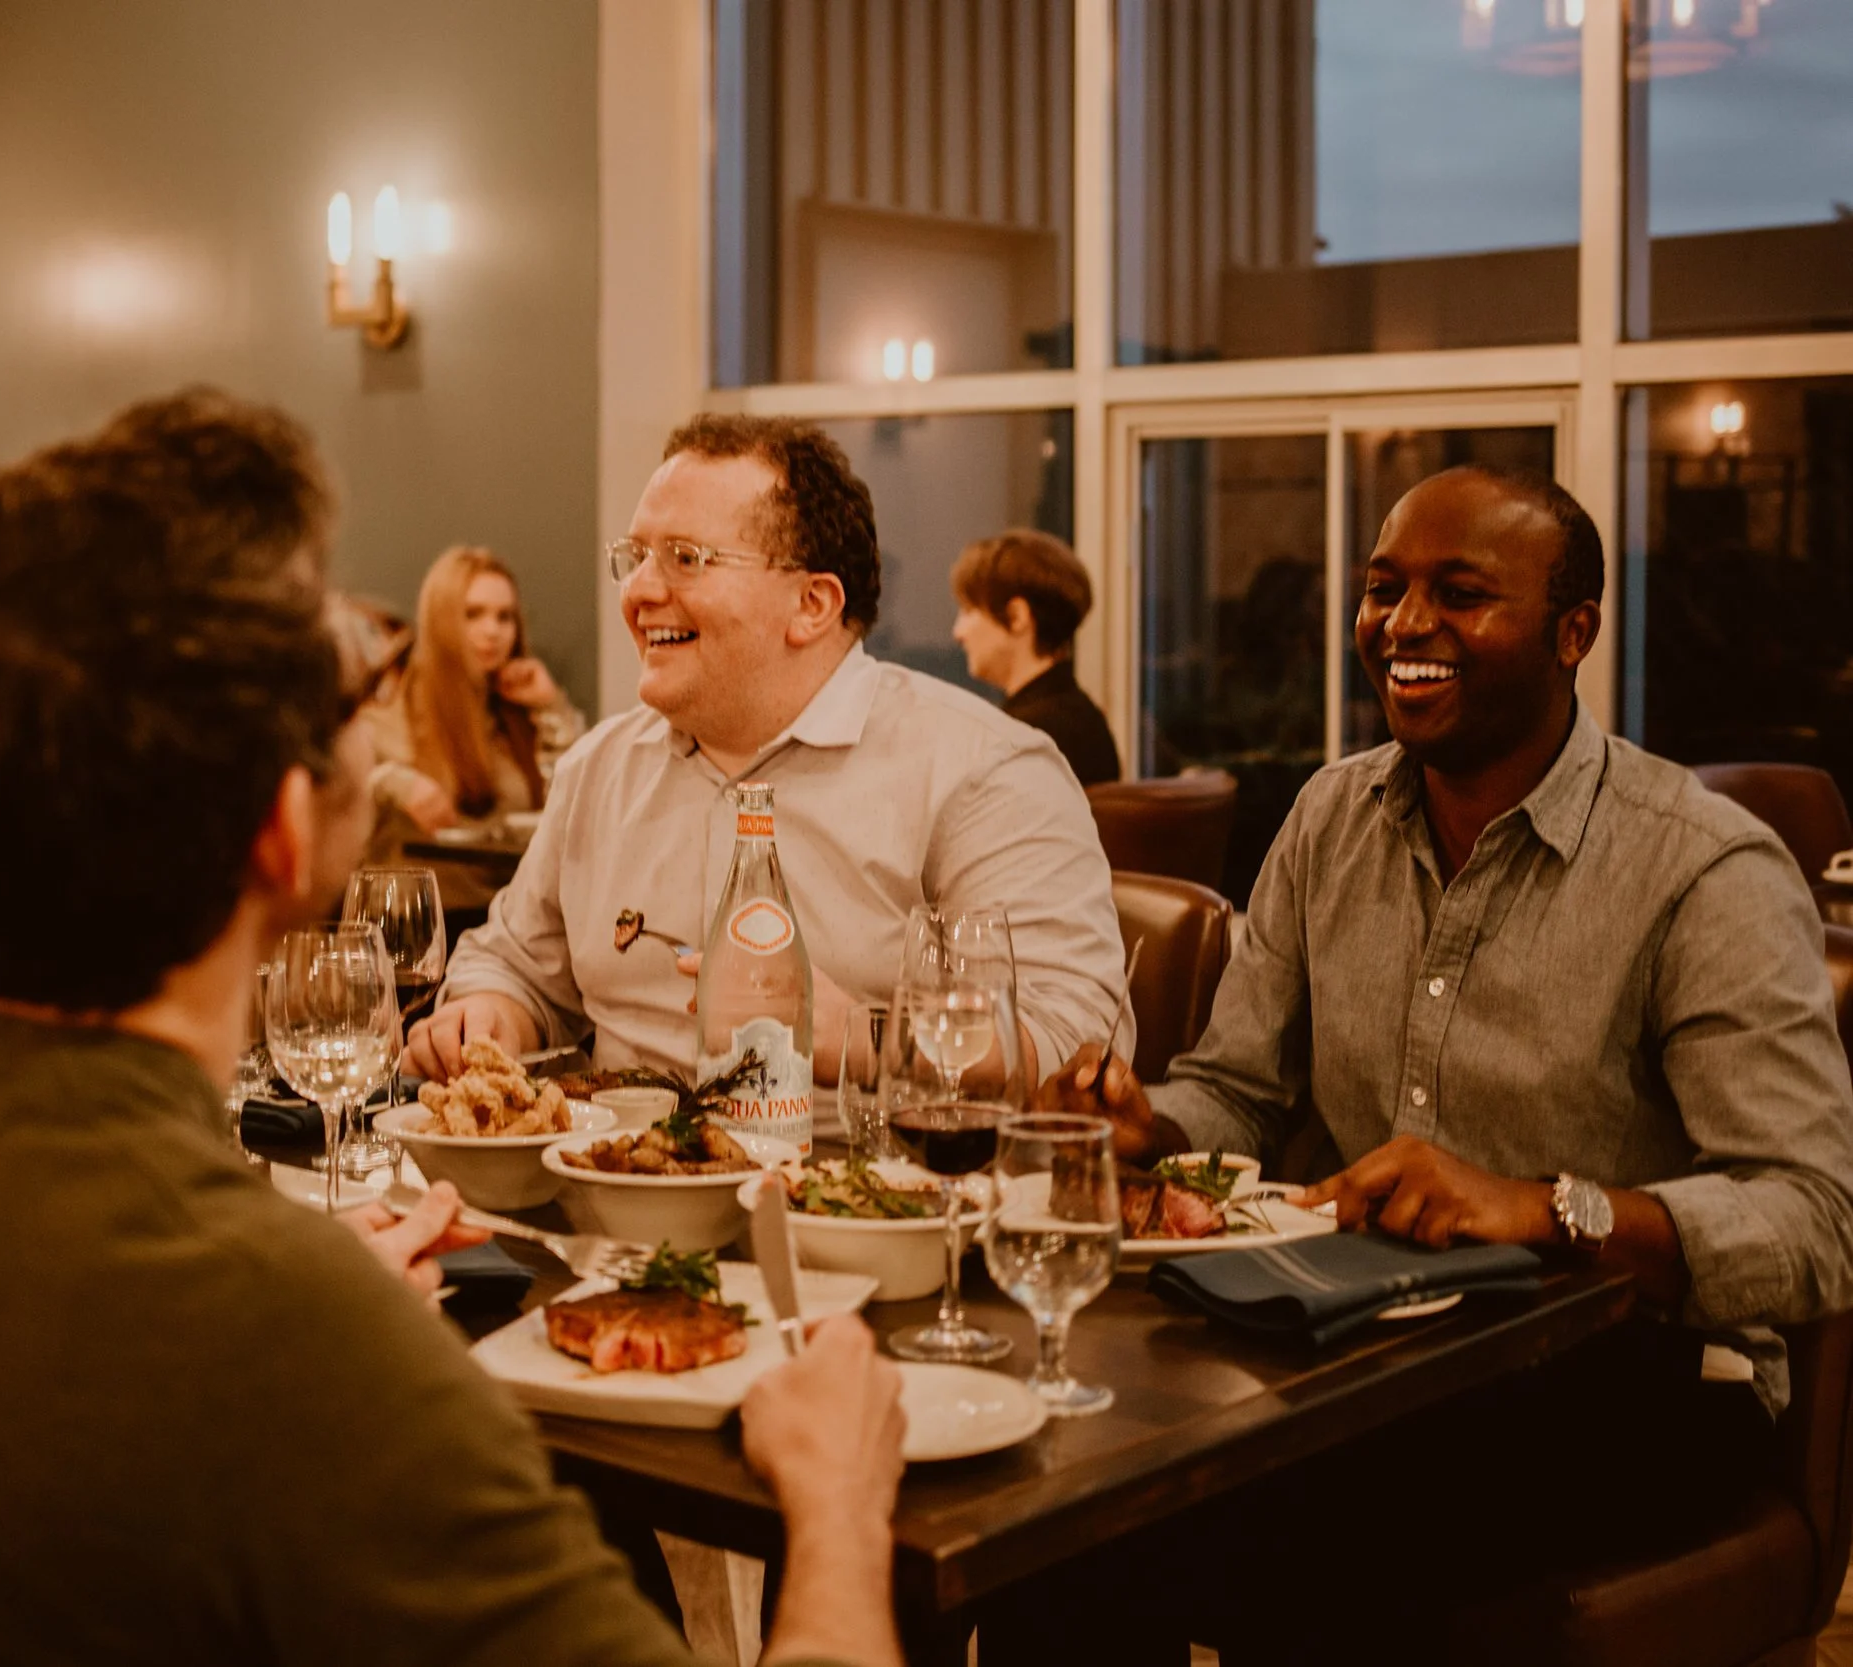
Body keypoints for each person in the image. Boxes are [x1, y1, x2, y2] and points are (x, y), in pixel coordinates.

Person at [0, 389, 909, 1667]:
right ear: (281, 827)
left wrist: (317, 1320)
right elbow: (197, 1348)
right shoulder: (277, 1333)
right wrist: (836, 1503)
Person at [1033, 465, 1853, 1661]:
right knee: (1061, 1521)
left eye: (1459, 593)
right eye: (1383, 589)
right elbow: (1239, 1092)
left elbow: (1812, 1219)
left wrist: (1541, 1209)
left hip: (1626, 1375)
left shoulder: (1701, 868)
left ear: (1573, 633)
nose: (1404, 625)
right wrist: (1148, 1126)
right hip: (1351, 1353)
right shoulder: (1327, 816)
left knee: (1310, 1551)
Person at [406, 414, 1128, 1102]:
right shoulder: (599, 769)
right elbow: (516, 966)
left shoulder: (982, 773)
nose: (639, 590)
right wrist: (489, 1012)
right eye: (636, 558)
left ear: (812, 604)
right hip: (601, 1204)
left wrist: (868, 1040)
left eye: (685, 558)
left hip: (862, 1207)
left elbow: (1078, 1049)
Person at [361, 545, 585, 843]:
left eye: (505, 617)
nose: (492, 631)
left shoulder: (514, 715)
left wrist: (549, 706)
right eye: (473, 614)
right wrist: (391, 784)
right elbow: (333, 795)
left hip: (512, 885)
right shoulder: (388, 717)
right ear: (440, 620)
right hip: (426, 886)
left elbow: (577, 803)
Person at [948, 528, 1119, 786]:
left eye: (969, 611)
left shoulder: (1024, 737)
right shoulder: (1083, 717)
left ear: (1017, 616)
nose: (958, 633)